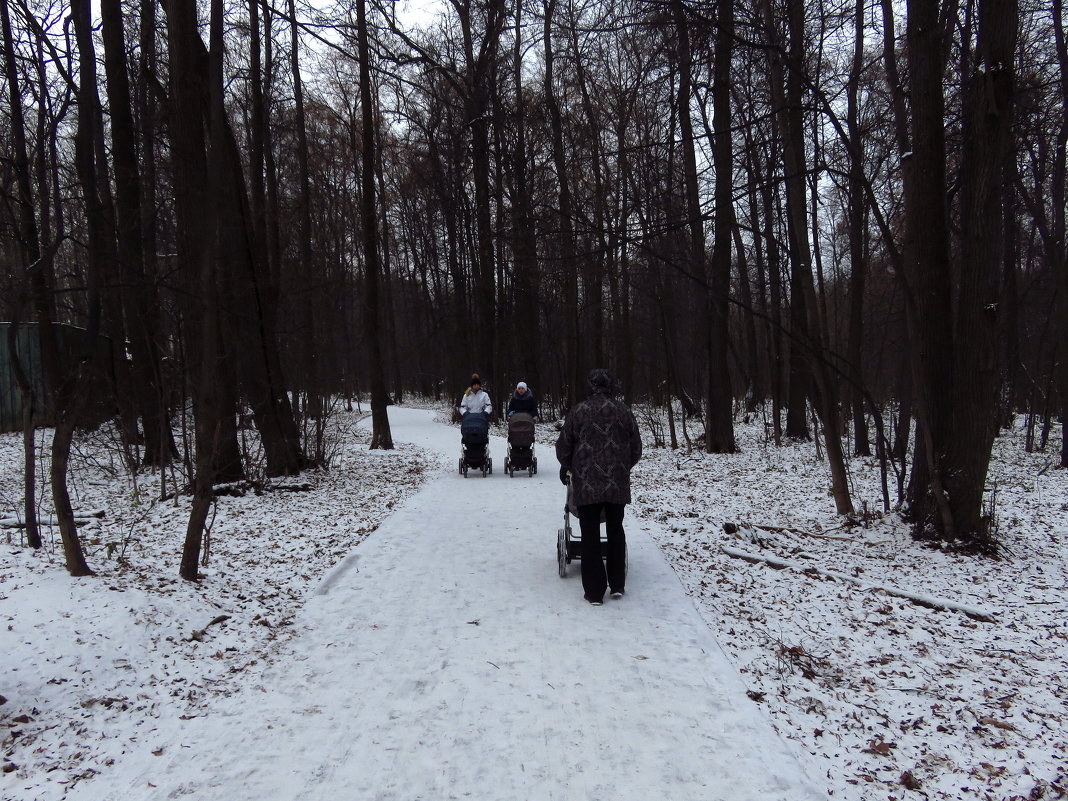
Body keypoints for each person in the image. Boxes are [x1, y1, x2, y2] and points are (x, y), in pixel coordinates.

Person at [555, 368, 642, 605]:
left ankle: (594, 592)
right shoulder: (624, 412)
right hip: (617, 483)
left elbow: (563, 447)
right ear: (610, 385)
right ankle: (617, 585)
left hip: (586, 484)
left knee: (590, 533)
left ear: (590, 385)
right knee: (615, 529)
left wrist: (571, 466)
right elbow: (636, 448)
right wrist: (622, 468)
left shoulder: (578, 412)